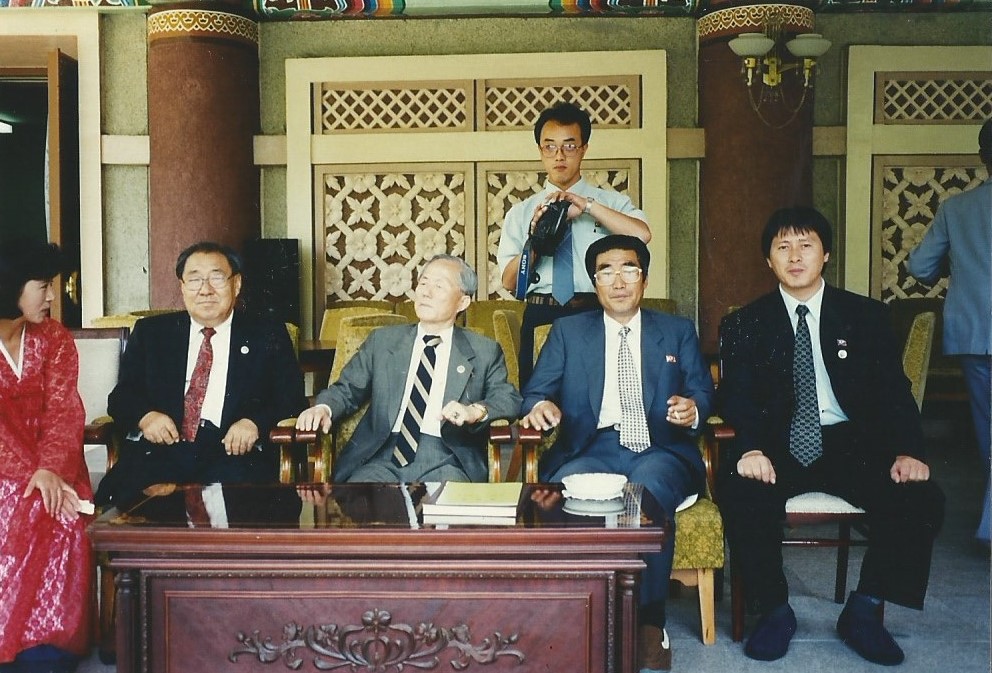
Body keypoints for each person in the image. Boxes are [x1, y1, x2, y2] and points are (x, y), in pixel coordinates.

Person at [717, 206, 945, 665]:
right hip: (778, 443)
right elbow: (736, 397)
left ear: (825, 255)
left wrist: (908, 451)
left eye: (806, 245)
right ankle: (774, 610)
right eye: (783, 247)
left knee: (920, 497)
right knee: (739, 488)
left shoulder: (865, 316)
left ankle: (865, 610)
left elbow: (894, 392)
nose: (795, 256)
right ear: (768, 260)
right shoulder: (745, 323)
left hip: (851, 443)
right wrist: (750, 448)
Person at [519, 234, 713, 672]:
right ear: (595, 282)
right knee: (564, 495)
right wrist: (541, 405)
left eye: (629, 269)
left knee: (645, 495)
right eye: (606, 272)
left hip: (660, 448)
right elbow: (534, 391)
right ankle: (577, 616)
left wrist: (694, 408)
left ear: (644, 279)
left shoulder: (677, 330)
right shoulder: (569, 332)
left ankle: (648, 623)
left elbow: (702, 389)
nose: (619, 281)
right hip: (592, 447)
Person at [95, 241, 306, 507]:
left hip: (233, 453)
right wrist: (147, 417)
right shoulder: (152, 333)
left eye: (216, 278)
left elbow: (292, 398)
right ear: (182, 287)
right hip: (162, 451)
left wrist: (254, 422)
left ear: (236, 284)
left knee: (253, 509)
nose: (205, 290)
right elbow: (122, 396)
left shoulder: (267, 333)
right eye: (194, 280)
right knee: (122, 509)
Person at [295, 254, 521, 482]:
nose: (426, 292)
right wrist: (323, 408)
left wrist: (474, 411)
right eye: (423, 283)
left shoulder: (484, 350)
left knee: (450, 502)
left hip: (446, 460)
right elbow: (346, 389)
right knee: (361, 500)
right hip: (381, 456)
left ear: (462, 302)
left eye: (439, 286)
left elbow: (508, 398)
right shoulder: (383, 341)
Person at [495, 101, 651, 385]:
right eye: (550, 147)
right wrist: (537, 240)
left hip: (595, 310)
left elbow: (642, 235)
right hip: (542, 311)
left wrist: (588, 206)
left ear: (583, 149)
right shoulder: (521, 212)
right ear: (540, 150)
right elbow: (510, 283)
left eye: (569, 146)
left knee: (599, 395)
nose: (559, 155)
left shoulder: (611, 202)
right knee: (539, 399)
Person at [0, 239, 92, 672]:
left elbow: (64, 410)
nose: (53, 296)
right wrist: (30, 474)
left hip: (56, 461)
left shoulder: (54, 337)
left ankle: (48, 645)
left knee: (62, 512)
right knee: (18, 504)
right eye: (43, 286)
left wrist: (51, 468)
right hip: (6, 465)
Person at [908, 119, 992, 547]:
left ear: (982, 157)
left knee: (987, 430)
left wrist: (957, 263)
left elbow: (920, 267)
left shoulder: (956, 209)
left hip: (974, 333)